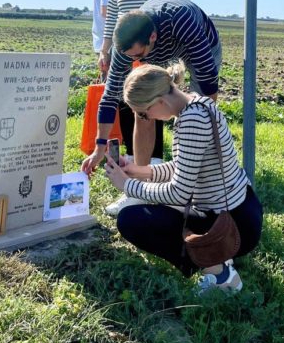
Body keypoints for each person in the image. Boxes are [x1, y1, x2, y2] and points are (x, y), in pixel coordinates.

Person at [103, 63, 263, 294]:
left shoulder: (191, 121)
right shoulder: (196, 105)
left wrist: (127, 185)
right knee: (154, 209)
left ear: (159, 101)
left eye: (142, 113)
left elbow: (179, 192)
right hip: (241, 212)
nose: (146, 118)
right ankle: (215, 257)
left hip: (230, 225)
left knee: (132, 220)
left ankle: (219, 272)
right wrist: (139, 170)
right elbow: (184, 166)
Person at [81, 0, 222, 177]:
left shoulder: (180, 20)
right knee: (143, 106)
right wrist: (99, 148)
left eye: (138, 55)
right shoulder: (127, 50)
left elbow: (208, 80)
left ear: (153, 36)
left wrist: (202, 119)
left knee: (198, 113)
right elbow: (109, 97)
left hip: (201, 43)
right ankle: (141, 177)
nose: (135, 60)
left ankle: (200, 172)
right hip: (158, 50)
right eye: (130, 56)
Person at [98, 0, 176, 214]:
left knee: (151, 108)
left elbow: (172, 11)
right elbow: (112, 20)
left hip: (152, 52)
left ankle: (153, 172)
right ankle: (133, 166)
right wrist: (105, 49)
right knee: (125, 106)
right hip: (124, 52)